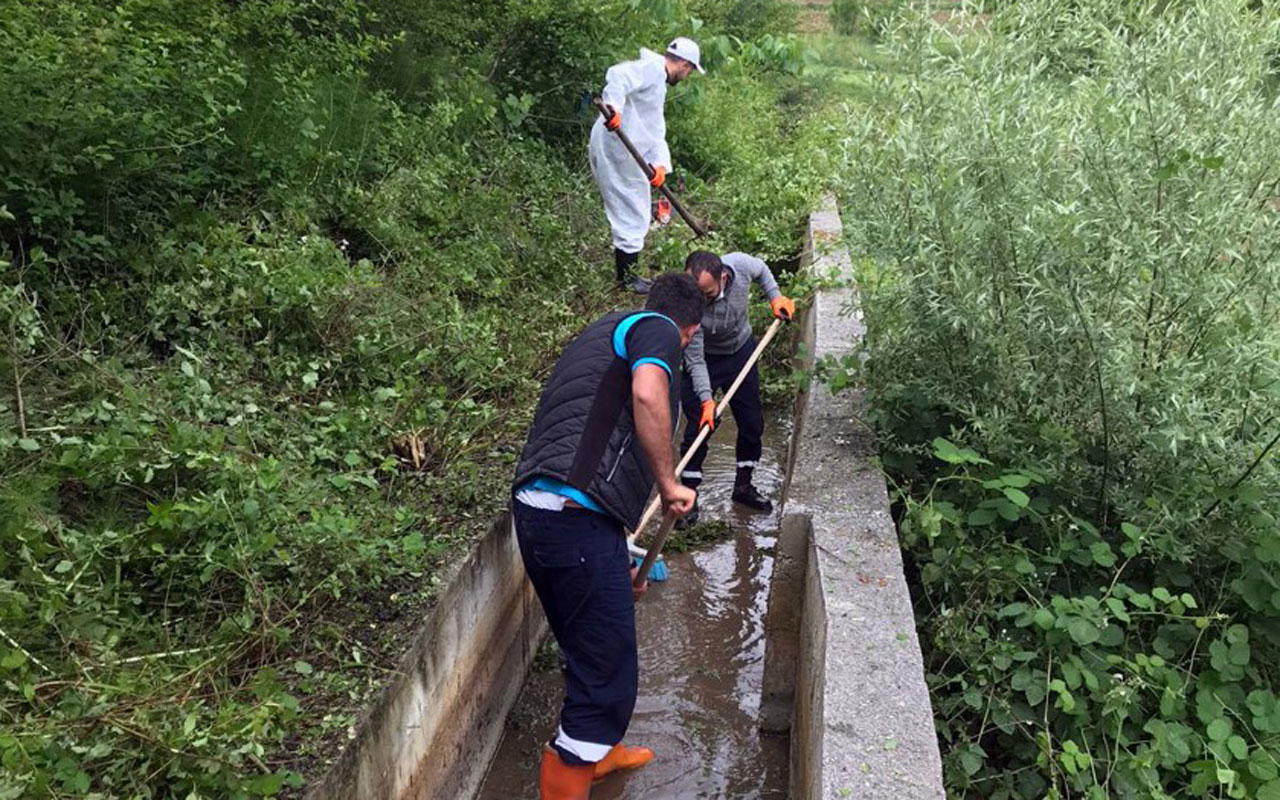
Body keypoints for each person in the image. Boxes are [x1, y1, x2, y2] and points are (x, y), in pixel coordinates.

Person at [511, 273, 703, 799]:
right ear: (688, 331)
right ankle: (582, 759)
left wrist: (614, 563)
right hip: (572, 519)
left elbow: (589, 445)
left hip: (544, 511)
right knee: (606, 683)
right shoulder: (659, 329)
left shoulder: (607, 329)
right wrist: (669, 484)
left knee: (587, 646)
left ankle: (604, 755)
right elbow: (647, 392)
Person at [677, 251, 795, 528]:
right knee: (698, 428)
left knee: (752, 422)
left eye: (706, 293)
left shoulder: (739, 265)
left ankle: (743, 486)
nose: (700, 300)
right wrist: (707, 400)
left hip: (741, 352)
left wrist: (775, 296)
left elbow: (762, 269)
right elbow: (694, 360)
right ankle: (688, 498)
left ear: (723, 277)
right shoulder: (689, 304)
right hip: (705, 359)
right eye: (696, 293)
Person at [589, 37, 704, 295]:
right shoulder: (653, 69)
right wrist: (614, 107)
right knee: (632, 212)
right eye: (689, 71)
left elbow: (653, 128)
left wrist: (660, 165)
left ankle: (627, 276)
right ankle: (627, 280)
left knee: (635, 211)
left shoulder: (657, 81)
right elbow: (618, 75)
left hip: (623, 152)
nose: (687, 76)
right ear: (684, 64)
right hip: (615, 150)